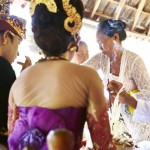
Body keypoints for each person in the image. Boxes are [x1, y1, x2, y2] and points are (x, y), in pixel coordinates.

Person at [8, 1, 116, 150]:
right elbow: (103, 144)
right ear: (75, 38)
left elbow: (12, 136)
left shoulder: (20, 80)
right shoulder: (87, 77)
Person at [85, 19, 150, 148]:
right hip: (116, 125)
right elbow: (81, 71)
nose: (99, 48)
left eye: (101, 43)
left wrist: (127, 98)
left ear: (115, 38)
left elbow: (148, 95)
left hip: (138, 128)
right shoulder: (101, 58)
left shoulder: (134, 61)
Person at [0, 13, 27, 147]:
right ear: (6, 37)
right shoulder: (4, 67)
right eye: (18, 42)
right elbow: (13, 113)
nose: (17, 53)